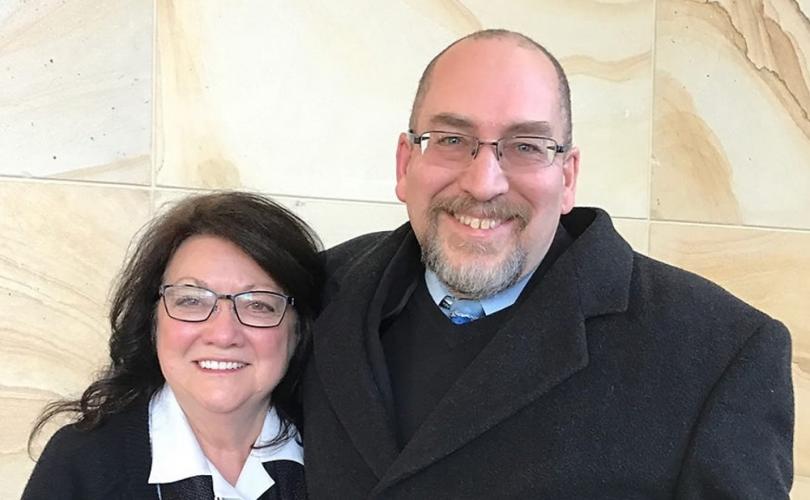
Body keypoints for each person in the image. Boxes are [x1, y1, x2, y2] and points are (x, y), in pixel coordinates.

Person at [302, 29, 794, 498]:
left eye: (526, 147)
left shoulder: (721, 354)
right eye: (452, 140)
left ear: (568, 176)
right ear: (405, 164)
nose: (484, 183)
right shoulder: (308, 295)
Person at [24, 191, 324, 500]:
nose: (223, 335)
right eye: (191, 300)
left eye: (258, 305)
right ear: (152, 322)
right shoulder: (82, 463)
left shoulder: (344, 456)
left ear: (298, 329)